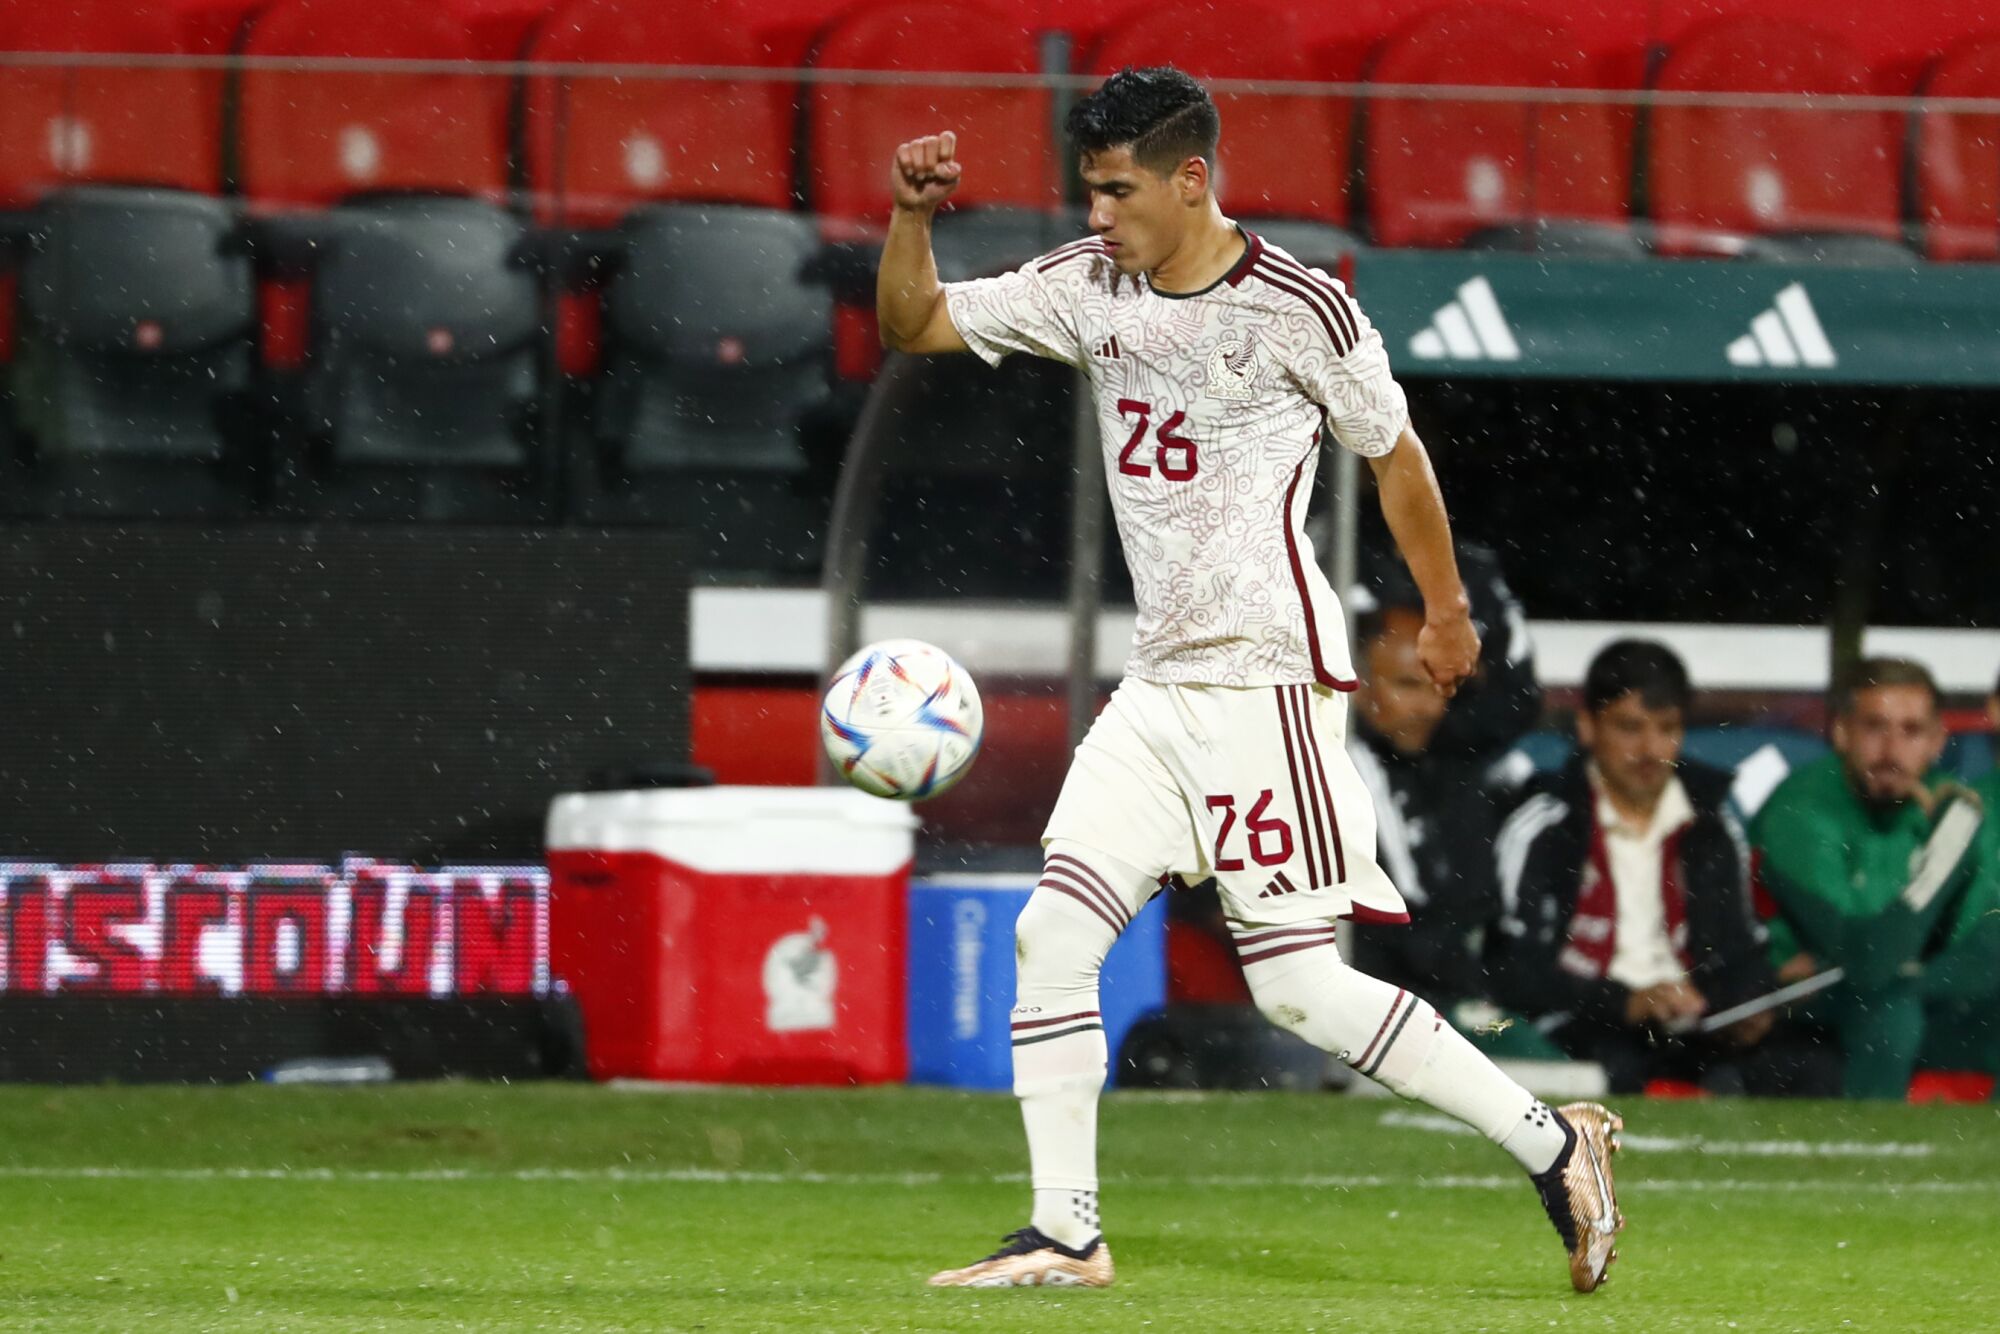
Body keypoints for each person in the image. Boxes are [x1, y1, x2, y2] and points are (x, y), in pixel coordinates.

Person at [876, 67, 1623, 1294]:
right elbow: (915, 324)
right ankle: (1066, 1230)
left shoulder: (1297, 309)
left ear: (1190, 179)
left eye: (1118, 191)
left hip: (1268, 681)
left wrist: (1442, 607)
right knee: (1050, 932)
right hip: (1161, 683)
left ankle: (1554, 1146)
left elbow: (1394, 456)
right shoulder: (1082, 285)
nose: (1098, 214)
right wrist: (911, 218)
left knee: (1297, 989)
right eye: (1088, 190)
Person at [1487, 641, 1829, 1095]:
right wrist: (1624, 1003)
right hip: (1584, 1023)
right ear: (1588, 727)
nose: (1650, 749)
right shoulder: (1543, 826)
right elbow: (1510, 969)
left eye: (1666, 728)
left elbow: (1740, 951)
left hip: (1693, 1024)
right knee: (1622, 1067)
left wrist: (1748, 1003)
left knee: (1810, 1067)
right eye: (1630, 728)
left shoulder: (1711, 827)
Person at [1752, 658, 2000, 1099]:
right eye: (1875, 727)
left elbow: (1969, 949)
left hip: (1900, 994)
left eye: (1911, 731)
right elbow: (1865, 959)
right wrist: (1945, 860)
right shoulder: (1802, 809)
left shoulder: (1948, 808)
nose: (1891, 750)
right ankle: (1870, 1160)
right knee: (1890, 1012)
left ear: (1937, 741)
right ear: (1842, 733)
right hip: (1800, 1007)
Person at [1346, 604, 1505, 1014]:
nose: (1430, 708)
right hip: (1375, 1008)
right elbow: (1391, 930)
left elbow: (1476, 909)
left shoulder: (1457, 774)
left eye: (1440, 687)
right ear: (1358, 686)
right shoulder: (1335, 772)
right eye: (1408, 685)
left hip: (1453, 1001)